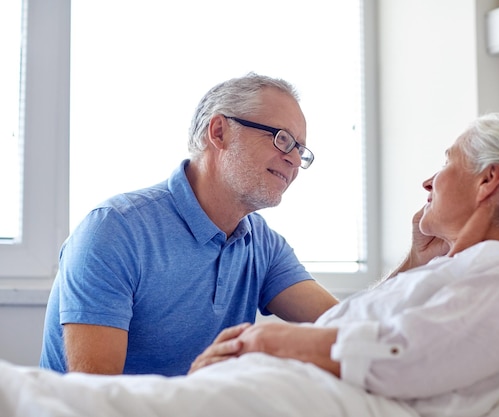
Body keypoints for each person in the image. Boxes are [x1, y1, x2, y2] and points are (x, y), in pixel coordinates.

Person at [187, 112, 499, 417]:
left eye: (447, 161)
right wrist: (417, 260)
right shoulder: (448, 273)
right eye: (280, 138)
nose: (428, 182)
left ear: (487, 180)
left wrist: (268, 341)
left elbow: (409, 355)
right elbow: (354, 323)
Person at [39, 73, 339, 376]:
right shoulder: (114, 230)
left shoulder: (261, 243)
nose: (292, 159)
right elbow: (96, 397)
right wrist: (191, 386)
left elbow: (344, 324)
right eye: (282, 139)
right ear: (219, 132)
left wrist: (390, 289)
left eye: (299, 150)